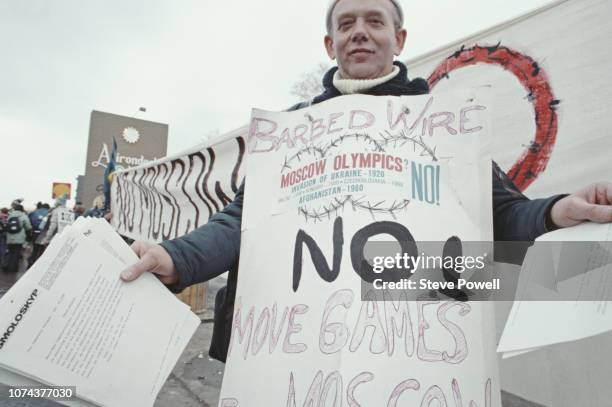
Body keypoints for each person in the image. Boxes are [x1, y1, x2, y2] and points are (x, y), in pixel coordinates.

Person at [121, 0, 612, 362]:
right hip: (294, 351)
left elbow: (503, 214)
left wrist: (554, 211)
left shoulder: (442, 126)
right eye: (346, 24)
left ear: (399, 39)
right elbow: (239, 221)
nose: (360, 32)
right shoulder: (289, 131)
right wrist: (176, 258)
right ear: (329, 44)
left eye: (375, 21)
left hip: (411, 351)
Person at [4, 200, 32, 273]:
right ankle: (12, 268)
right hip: (19, 238)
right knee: (16, 254)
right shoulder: (23, 216)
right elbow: (28, 227)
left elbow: (6, 225)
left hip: (9, 238)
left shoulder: (10, 215)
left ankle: (6, 265)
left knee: (9, 252)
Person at [28, 203, 50, 267]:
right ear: (48, 208)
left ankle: (31, 263)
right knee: (42, 249)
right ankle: (39, 265)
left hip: (35, 232)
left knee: (35, 249)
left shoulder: (34, 212)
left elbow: (29, 221)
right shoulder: (49, 213)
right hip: (44, 233)